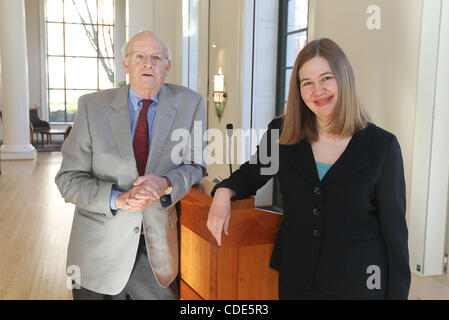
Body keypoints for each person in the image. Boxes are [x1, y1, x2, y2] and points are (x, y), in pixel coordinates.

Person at [207, 38, 410, 300]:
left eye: (326, 78)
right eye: (307, 83)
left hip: (360, 285)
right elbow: (250, 174)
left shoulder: (382, 146)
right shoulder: (281, 133)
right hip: (297, 283)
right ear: (298, 90)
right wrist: (222, 193)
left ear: (344, 79)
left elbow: (395, 235)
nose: (318, 91)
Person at [55, 31, 206, 300]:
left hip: (157, 253)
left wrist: (167, 182)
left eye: (156, 57)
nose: (148, 63)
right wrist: (118, 199)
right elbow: (68, 180)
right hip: (97, 255)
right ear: (126, 64)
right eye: (140, 56)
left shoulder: (190, 104)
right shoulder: (92, 107)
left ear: (167, 66)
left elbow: (196, 165)